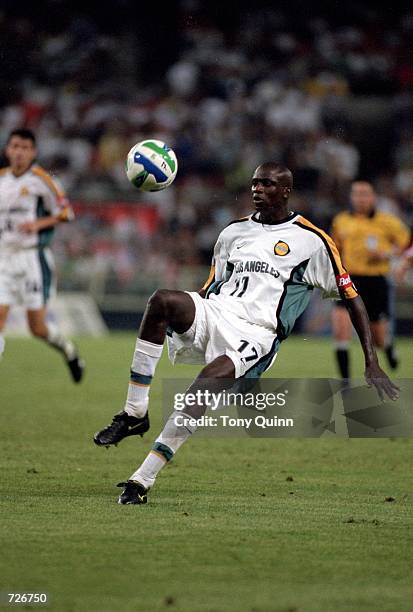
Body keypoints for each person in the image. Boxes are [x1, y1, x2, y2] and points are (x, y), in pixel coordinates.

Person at [94, 162, 399, 505]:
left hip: (258, 333)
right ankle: (135, 412)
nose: (257, 189)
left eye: (267, 184)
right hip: (218, 311)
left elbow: (352, 299)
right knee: (162, 300)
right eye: (254, 183)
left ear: (285, 191)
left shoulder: (312, 241)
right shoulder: (233, 232)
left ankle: (142, 478)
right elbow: (211, 287)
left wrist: (371, 361)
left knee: (205, 384)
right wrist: (194, 317)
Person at [0, 128, 84, 382]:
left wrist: (38, 224)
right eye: (15, 146)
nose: (19, 152)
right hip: (4, 258)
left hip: (33, 259)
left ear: (33, 152)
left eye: (25, 148)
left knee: (37, 328)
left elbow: (66, 213)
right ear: (7, 150)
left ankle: (69, 351)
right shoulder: (1, 179)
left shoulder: (41, 180)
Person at [330, 181, 410, 380]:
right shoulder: (341, 221)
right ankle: (345, 383)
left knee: (377, 339)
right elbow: (334, 249)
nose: (360, 198)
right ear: (351, 197)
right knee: (341, 329)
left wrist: (387, 254)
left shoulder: (387, 221)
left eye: (365, 194)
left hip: (375, 280)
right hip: (348, 279)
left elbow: (406, 244)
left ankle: (388, 346)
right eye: (356, 194)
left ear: (373, 197)